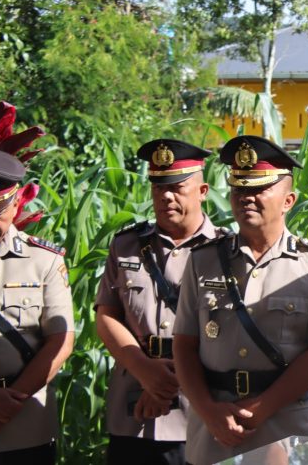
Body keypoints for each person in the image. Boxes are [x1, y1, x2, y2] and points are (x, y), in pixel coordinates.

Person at [173, 135, 308, 465]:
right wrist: (208, 412)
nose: (245, 198)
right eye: (239, 189)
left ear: (288, 200)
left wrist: (261, 408)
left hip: (286, 423)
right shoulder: (202, 260)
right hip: (214, 422)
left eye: (257, 189)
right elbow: (184, 344)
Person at [96, 139, 221, 464]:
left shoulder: (227, 251)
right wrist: (143, 370)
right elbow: (107, 316)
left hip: (201, 409)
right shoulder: (125, 246)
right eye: (158, 187)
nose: (165, 196)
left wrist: (166, 383)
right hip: (133, 407)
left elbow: (234, 333)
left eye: (178, 187)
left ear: (203, 190)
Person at [0, 150, 74, 464]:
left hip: (26, 427)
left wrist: (8, 406)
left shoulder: (45, 261)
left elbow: (60, 342)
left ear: (17, 204)